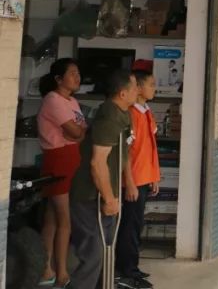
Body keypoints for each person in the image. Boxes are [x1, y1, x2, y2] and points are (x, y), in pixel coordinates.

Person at [68, 69, 137, 289]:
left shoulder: (124, 114)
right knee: (94, 254)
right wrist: (108, 198)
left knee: (108, 250)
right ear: (122, 93)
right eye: (134, 86)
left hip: (109, 192)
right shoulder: (109, 117)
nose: (138, 90)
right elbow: (98, 163)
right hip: (90, 196)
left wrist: (128, 183)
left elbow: (123, 155)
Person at [36, 58, 87, 288]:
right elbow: (75, 130)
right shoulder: (53, 100)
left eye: (78, 73)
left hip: (72, 157)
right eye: (72, 73)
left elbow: (80, 132)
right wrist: (76, 133)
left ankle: (46, 269)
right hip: (58, 160)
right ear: (58, 79)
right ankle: (61, 274)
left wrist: (76, 134)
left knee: (53, 217)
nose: (77, 77)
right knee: (63, 219)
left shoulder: (73, 101)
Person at [117, 69, 160, 288]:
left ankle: (132, 267)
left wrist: (155, 175)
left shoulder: (146, 112)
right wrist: (130, 182)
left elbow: (151, 148)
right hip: (132, 180)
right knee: (129, 227)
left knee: (135, 225)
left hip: (144, 176)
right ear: (139, 88)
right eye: (151, 84)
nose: (155, 88)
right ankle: (126, 272)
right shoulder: (131, 114)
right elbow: (126, 152)